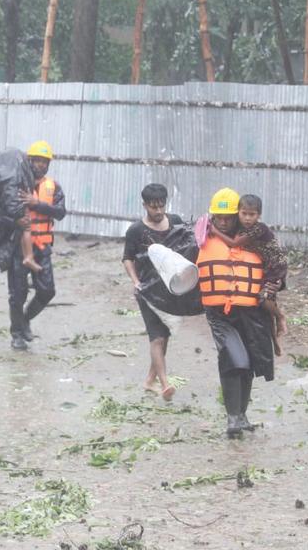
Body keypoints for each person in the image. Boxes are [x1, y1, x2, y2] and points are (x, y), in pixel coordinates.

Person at [197, 188, 275, 438]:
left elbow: (275, 270)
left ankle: (241, 416)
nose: (222, 222)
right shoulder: (201, 238)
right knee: (233, 359)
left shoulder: (256, 240)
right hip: (219, 314)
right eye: (218, 217)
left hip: (251, 313)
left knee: (250, 363)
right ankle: (232, 418)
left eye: (228, 217)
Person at [122, 183, 203, 401]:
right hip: (147, 292)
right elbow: (128, 259)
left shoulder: (175, 221)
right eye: (153, 207)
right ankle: (165, 384)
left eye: (161, 206)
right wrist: (136, 281)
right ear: (144, 205)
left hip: (170, 291)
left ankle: (149, 381)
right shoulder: (136, 231)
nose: (158, 212)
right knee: (156, 338)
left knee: (165, 336)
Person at [208, 193, 288, 354]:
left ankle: (280, 317)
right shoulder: (241, 228)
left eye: (252, 215)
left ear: (259, 215)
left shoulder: (258, 228)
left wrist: (213, 230)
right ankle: (275, 341)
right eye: (244, 214)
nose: (247, 218)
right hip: (265, 266)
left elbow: (233, 243)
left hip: (275, 265)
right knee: (265, 307)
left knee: (264, 298)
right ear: (238, 212)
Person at [7, 141, 66, 350]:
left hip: (42, 247)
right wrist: (15, 221)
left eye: (44, 161)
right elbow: (4, 211)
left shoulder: (54, 187)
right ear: (29, 161)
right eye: (37, 161)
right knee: (17, 293)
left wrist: (36, 204)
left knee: (47, 291)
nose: (40, 165)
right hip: (18, 249)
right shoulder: (16, 184)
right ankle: (17, 334)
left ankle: (24, 320)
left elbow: (60, 212)